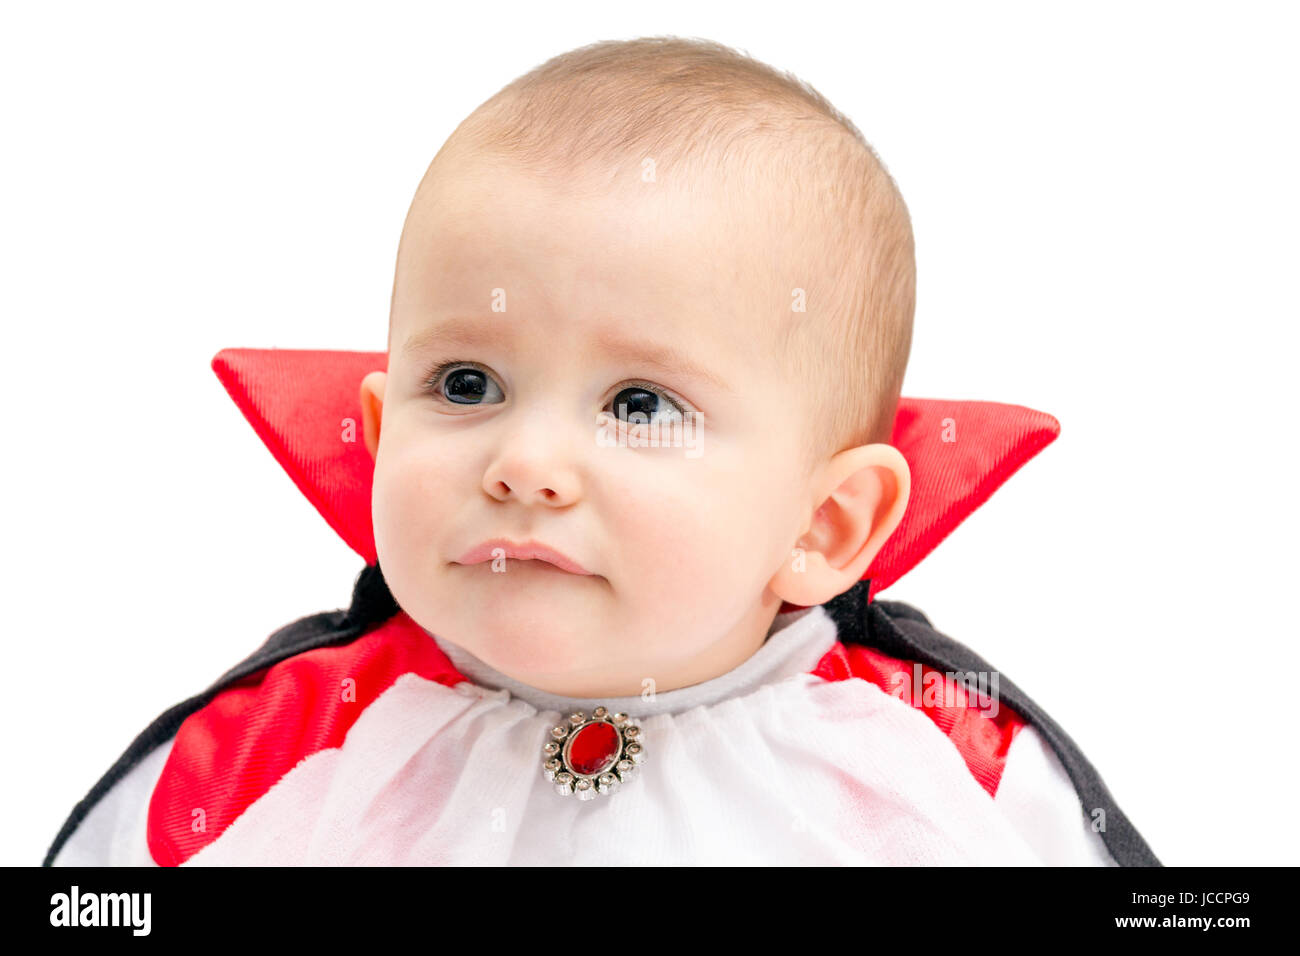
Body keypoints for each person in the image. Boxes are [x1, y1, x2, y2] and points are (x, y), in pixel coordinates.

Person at [43, 36, 1160, 866]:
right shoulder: (272, 752)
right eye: (467, 383)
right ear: (380, 438)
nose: (526, 462)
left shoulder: (946, 771)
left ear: (823, 526)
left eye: (637, 402)